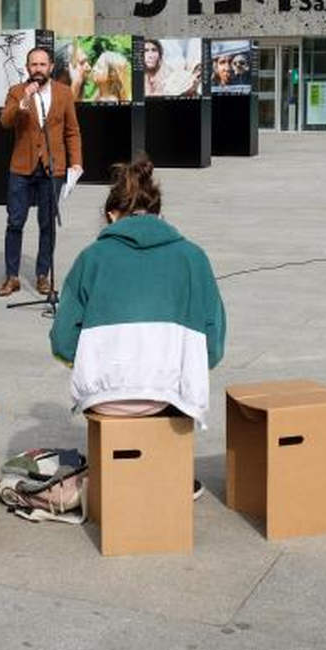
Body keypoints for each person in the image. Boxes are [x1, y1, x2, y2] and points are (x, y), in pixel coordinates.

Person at [49, 156, 226, 496]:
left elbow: (62, 341)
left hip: (104, 399)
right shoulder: (193, 257)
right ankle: (170, 471)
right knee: (177, 373)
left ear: (111, 215)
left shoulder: (91, 258)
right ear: (159, 213)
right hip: (170, 399)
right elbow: (214, 347)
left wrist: (93, 361)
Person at [0, 46, 84, 297]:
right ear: (27, 68)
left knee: (47, 224)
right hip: (21, 167)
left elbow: (72, 131)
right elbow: (5, 121)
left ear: (51, 67)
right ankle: (12, 276)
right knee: (15, 222)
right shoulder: (16, 92)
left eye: (42, 65)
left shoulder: (64, 93)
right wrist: (24, 101)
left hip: (52, 167)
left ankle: (43, 275)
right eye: (33, 65)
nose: (38, 69)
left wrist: (76, 162)